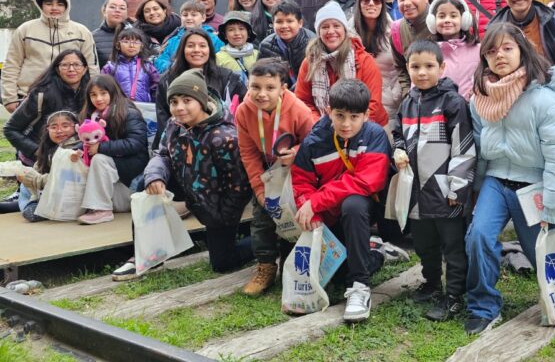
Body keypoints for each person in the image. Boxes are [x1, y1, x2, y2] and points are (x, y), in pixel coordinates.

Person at [464, 23, 555, 335]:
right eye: (491, 51)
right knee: (478, 237)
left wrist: (554, 205)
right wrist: (476, 189)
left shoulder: (546, 100)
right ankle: (483, 307)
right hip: (496, 181)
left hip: (536, 184)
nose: (499, 55)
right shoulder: (480, 99)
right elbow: (480, 147)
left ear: (522, 50)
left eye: (507, 48)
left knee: (543, 251)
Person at [290, 79, 396, 323]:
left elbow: (366, 182)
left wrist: (316, 202)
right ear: (329, 111)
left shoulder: (375, 135)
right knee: (337, 275)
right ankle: (375, 253)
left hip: (366, 208)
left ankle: (360, 285)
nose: (346, 124)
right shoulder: (314, 141)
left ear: (366, 115)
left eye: (354, 117)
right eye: (340, 116)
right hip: (330, 214)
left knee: (353, 203)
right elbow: (301, 181)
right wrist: (312, 209)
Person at [393, 40, 475, 321]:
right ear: (407, 68)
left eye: (429, 66)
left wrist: (456, 189)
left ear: (442, 67)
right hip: (416, 192)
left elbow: (464, 148)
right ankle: (431, 283)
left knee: (453, 246)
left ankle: (454, 295)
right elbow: (398, 135)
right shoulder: (407, 103)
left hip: (445, 191)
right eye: (415, 66)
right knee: (424, 243)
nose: (422, 72)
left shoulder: (453, 102)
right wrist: (398, 151)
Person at [144, 69, 254, 273]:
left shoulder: (224, 137)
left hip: (219, 206)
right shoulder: (174, 125)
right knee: (147, 189)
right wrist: (155, 176)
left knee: (223, 262)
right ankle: (147, 255)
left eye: (187, 100)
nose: (179, 107)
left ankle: (267, 239)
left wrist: (222, 218)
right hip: (190, 188)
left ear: (202, 101)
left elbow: (239, 187)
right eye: (174, 102)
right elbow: (163, 154)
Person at [235, 58, 315, 297]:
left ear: (283, 88)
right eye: (255, 86)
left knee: (292, 218)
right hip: (267, 173)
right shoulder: (243, 111)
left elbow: (313, 144)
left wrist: (297, 153)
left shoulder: (299, 110)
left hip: (296, 172)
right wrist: (259, 190)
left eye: (270, 87)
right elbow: (248, 153)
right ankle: (266, 267)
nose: (261, 94)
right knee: (262, 219)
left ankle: (291, 266)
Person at [2, 0, 98, 114]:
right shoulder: (25, 30)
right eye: (49, 4)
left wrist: (93, 96)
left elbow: (92, 67)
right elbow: (12, 65)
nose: (54, 8)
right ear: (41, 6)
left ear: (67, 7)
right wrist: (10, 99)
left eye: (60, 4)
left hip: (70, 99)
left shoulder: (82, 32)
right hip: (28, 97)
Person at [295, 1, 387, 126]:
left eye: (336, 25)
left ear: (345, 29)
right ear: (318, 32)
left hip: (367, 126)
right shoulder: (310, 63)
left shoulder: (364, 60)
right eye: (325, 27)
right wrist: (322, 126)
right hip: (324, 127)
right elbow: (303, 101)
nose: (331, 31)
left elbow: (373, 103)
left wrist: (347, 127)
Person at [153, 28, 246, 149]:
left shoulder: (227, 78)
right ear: (182, 49)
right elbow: (163, 118)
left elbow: (245, 109)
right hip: (179, 144)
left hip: (221, 144)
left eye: (202, 46)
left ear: (210, 50)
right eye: (190, 46)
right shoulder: (167, 80)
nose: (197, 50)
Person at [76, 75, 150, 225]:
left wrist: (100, 148)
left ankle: (102, 210)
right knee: (76, 159)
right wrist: (78, 151)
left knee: (100, 159)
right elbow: (89, 142)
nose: (98, 98)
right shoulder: (92, 117)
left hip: (132, 180)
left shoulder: (129, 113)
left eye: (103, 93)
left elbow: (135, 143)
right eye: (93, 95)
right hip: (116, 179)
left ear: (113, 92)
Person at [4, 50, 92, 166]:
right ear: (57, 69)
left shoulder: (91, 95)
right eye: (65, 65)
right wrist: (38, 152)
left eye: (76, 64)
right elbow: (10, 129)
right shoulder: (42, 94)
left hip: (73, 161)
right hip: (38, 163)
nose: (71, 69)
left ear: (85, 69)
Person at [350, 0, 401, 131]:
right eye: (366, 0)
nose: (371, 4)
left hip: (389, 102)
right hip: (357, 102)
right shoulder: (347, 34)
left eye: (377, 0)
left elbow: (403, 65)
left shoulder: (394, 31)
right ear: (359, 3)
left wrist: (396, 94)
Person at [15, 110, 81, 222]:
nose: (59, 131)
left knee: (27, 182)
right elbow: (37, 169)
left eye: (65, 126)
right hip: (50, 191)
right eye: (54, 127)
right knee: (26, 177)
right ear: (47, 129)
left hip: (71, 195)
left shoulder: (76, 149)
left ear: (76, 127)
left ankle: (31, 206)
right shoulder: (49, 149)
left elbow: (63, 181)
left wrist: (31, 179)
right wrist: (26, 174)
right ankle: (31, 205)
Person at [426, 0, 479, 100]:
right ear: (432, 21)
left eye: (453, 16)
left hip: (471, 108)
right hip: (437, 108)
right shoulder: (427, 52)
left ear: (464, 20)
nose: (447, 20)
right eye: (441, 16)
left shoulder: (478, 50)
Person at [154, 1, 224, 73]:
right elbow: (161, 61)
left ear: (203, 18)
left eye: (193, 15)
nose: (189, 18)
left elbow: (220, 61)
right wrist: (174, 67)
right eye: (185, 15)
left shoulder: (214, 40)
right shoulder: (172, 41)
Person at [258, 0, 315, 87]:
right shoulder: (266, 46)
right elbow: (261, 76)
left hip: (307, 90)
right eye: (279, 22)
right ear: (273, 24)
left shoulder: (312, 44)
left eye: (289, 21)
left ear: (300, 23)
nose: (284, 26)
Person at [390, 0, 431, 96]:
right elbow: (401, 67)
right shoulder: (396, 30)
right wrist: (407, 93)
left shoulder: (442, 23)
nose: (407, 3)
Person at [101, 27, 160, 103]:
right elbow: (103, 88)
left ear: (141, 47)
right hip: (118, 107)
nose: (131, 45)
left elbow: (156, 88)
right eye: (126, 42)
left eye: (136, 42)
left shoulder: (147, 66)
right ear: (118, 45)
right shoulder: (110, 67)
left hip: (144, 107)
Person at [216, 11, 259, 83]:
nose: (237, 33)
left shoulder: (258, 55)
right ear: (225, 35)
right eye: (231, 30)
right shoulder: (218, 58)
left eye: (241, 29)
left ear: (248, 33)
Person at [91, 0, 133, 67]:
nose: (117, 10)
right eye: (112, 7)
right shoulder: (92, 37)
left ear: (127, 13)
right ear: (104, 11)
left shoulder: (136, 35)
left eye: (122, 8)